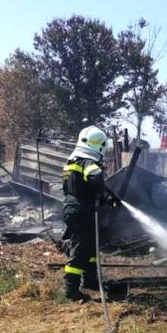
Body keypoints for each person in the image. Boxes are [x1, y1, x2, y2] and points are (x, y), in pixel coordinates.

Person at [61, 125, 120, 301]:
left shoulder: (73, 162)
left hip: (76, 208)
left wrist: (105, 200)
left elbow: (83, 190)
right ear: (99, 145)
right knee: (80, 250)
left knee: (91, 246)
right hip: (80, 211)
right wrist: (108, 194)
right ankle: (71, 290)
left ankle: (91, 280)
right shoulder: (87, 163)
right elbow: (95, 179)